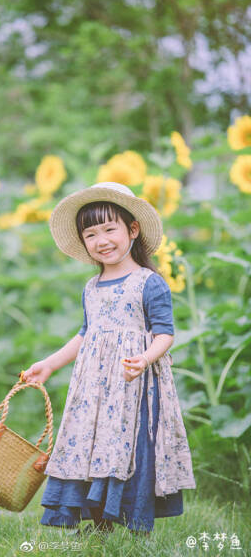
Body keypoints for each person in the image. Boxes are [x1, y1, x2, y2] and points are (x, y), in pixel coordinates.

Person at [20, 181, 196, 537]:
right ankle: (100, 522)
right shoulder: (92, 287)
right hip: (95, 392)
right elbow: (86, 334)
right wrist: (51, 363)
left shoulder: (149, 283)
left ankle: (135, 522)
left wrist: (145, 358)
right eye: (91, 233)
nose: (102, 240)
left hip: (134, 385)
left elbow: (165, 333)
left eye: (110, 229)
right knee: (94, 443)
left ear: (132, 230)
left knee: (131, 448)